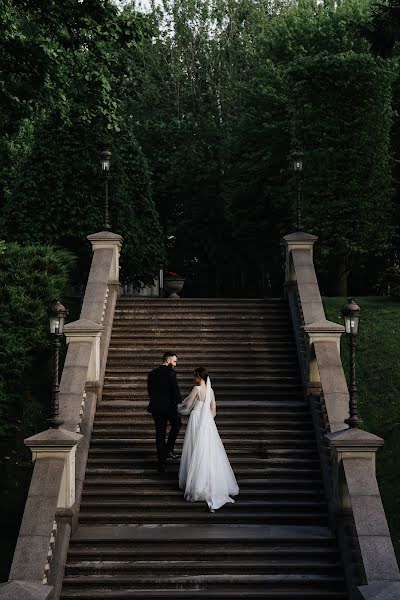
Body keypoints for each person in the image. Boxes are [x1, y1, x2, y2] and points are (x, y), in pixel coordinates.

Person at [178, 367, 239, 511]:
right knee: (208, 450)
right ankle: (209, 481)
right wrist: (207, 419)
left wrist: (179, 408)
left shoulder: (196, 389)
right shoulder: (211, 391)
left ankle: (195, 483)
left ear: (200, 377)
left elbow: (188, 404)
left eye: (195, 376)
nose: (194, 378)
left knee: (194, 447)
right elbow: (213, 409)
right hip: (206, 422)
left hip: (196, 419)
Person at [147, 351, 182, 472]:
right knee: (177, 425)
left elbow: (150, 391)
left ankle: (161, 462)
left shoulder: (152, 373)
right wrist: (180, 404)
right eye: (174, 361)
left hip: (156, 408)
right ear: (168, 360)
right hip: (169, 408)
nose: (175, 364)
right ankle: (168, 450)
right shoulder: (171, 373)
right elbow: (175, 390)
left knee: (160, 434)